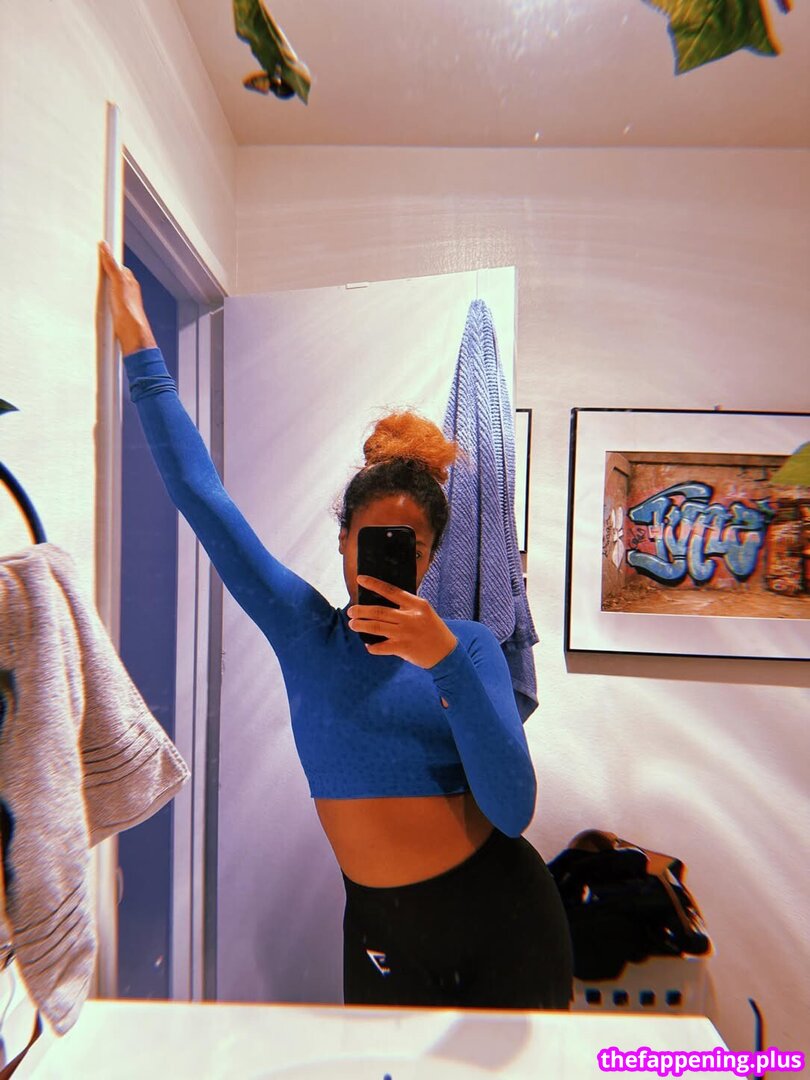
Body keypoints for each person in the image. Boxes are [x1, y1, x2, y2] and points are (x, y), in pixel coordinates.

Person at [98, 240, 573, 1010]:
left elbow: (514, 811)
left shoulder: (471, 647)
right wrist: (138, 345)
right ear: (343, 541)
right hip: (380, 931)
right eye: (370, 541)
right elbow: (203, 499)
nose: (383, 559)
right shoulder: (305, 633)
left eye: (408, 545)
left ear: (430, 554)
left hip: (504, 923)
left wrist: (446, 662)